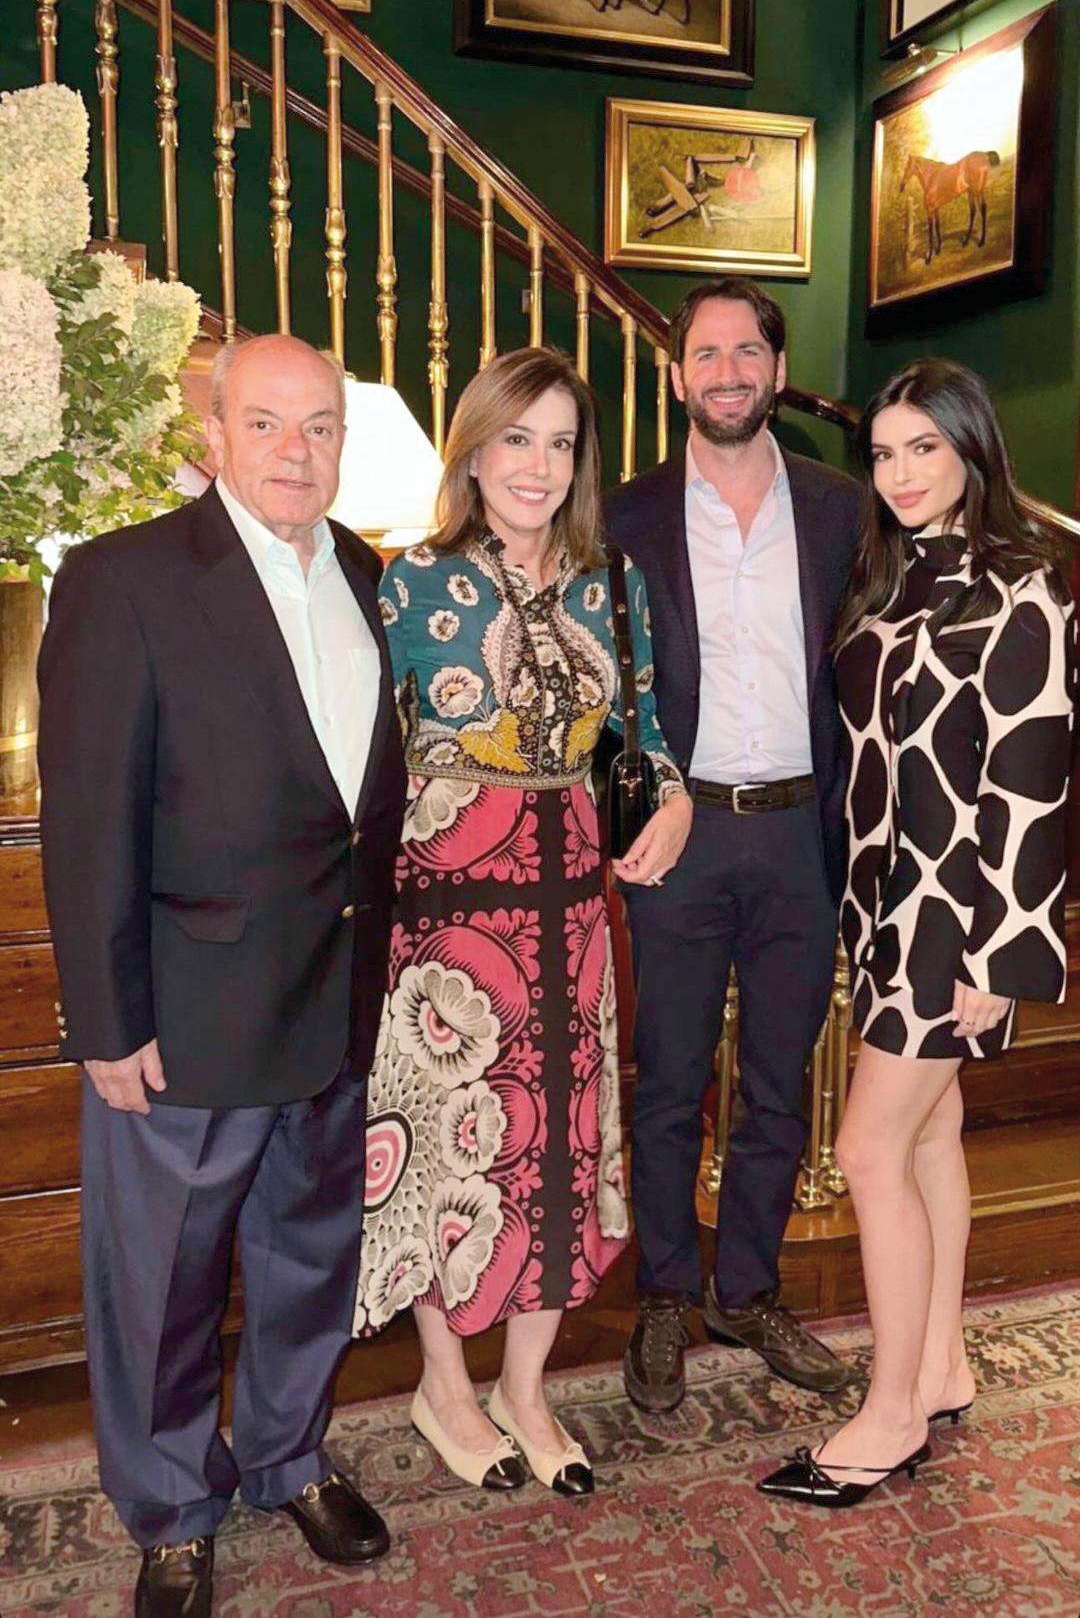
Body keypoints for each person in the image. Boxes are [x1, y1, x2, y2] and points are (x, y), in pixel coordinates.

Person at [37, 335, 407, 1618]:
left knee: (311, 1257)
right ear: (212, 434)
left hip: (329, 995)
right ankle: (172, 1509)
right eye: (267, 424)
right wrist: (105, 1013)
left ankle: (289, 1458)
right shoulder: (121, 578)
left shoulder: (364, 572)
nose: (296, 452)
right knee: (163, 1284)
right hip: (186, 1014)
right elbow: (86, 818)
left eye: (319, 428)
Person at [353, 346, 692, 1494]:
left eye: (560, 442)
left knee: (560, 1151)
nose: (537, 466)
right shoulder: (404, 585)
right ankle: (445, 1384)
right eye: (516, 438)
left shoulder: (614, 582)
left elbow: (638, 733)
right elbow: (358, 763)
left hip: (575, 917)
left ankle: (526, 1389)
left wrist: (675, 791)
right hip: (448, 919)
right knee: (456, 1155)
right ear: (475, 448)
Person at [760, 358, 1076, 1507]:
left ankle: (891, 1412)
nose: (897, 473)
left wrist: (1001, 957)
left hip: (956, 916)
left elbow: (1032, 778)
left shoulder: (1025, 587)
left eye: (922, 450)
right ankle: (938, 1361)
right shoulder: (885, 584)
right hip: (881, 904)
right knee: (933, 1136)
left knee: (868, 1150)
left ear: (972, 450)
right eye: (884, 453)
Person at [605, 279, 859, 1412]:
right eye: (705, 353)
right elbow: (602, 694)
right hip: (683, 832)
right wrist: (636, 812)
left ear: (774, 365)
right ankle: (665, 1290)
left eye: (746, 351)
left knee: (777, 1083)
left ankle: (745, 1289)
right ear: (677, 374)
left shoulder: (845, 507)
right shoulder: (624, 516)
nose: (726, 372)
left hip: (805, 831)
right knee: (666, 1079)